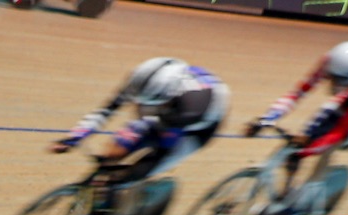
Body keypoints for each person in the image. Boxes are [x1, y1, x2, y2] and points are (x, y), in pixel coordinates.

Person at [251, 40, 348, 201]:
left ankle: (311, 193)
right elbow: (298, 93)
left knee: (330, 142)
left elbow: (342, 129)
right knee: (309, 133)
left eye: (337, 80)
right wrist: (267, 118)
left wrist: (307, 149)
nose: (332, 83)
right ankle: (287, 193)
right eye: (331, 77)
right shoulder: (330, 62)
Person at [52, 57, 228, 184]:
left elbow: (166, 143)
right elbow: (106, 110)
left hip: (195, 129)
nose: (138, 106)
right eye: (139, 101)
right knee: (113, 153)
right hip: (168, 114)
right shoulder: (139, 81)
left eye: (148, 103)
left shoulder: (193, 102)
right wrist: (75, 136)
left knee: (135, 173)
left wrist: (132, 172)